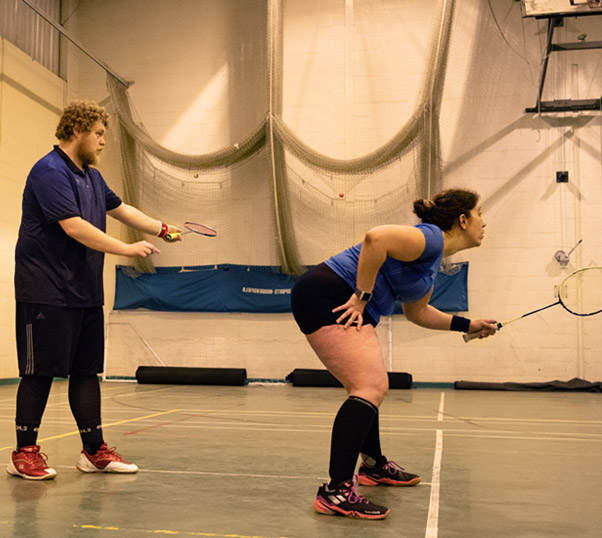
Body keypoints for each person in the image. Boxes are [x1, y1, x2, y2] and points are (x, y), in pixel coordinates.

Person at [290, 188, 498, 519]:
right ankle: (336, 492)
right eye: (480, 213)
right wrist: (362, 295)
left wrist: (467, 324)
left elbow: (418, 313)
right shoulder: (429, 238)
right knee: (370, 386)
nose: (484, 222)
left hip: (340, 296)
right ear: (462, 219)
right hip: (331, 292)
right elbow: (376, 239)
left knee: (369, 386)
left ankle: (373, 467)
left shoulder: (432, 264)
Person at [8, 100, 181, 480]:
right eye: (99, 133)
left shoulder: (92, 177)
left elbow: (122, 209)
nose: (103, 142)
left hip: (83, 290)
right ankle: (23, 453)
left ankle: (93, 451)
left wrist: (160, 227)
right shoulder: (49, 171)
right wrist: (127, 249)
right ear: (77, 131)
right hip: (45, 289)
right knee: (39, 372)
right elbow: (75, 227)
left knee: (86, 372)